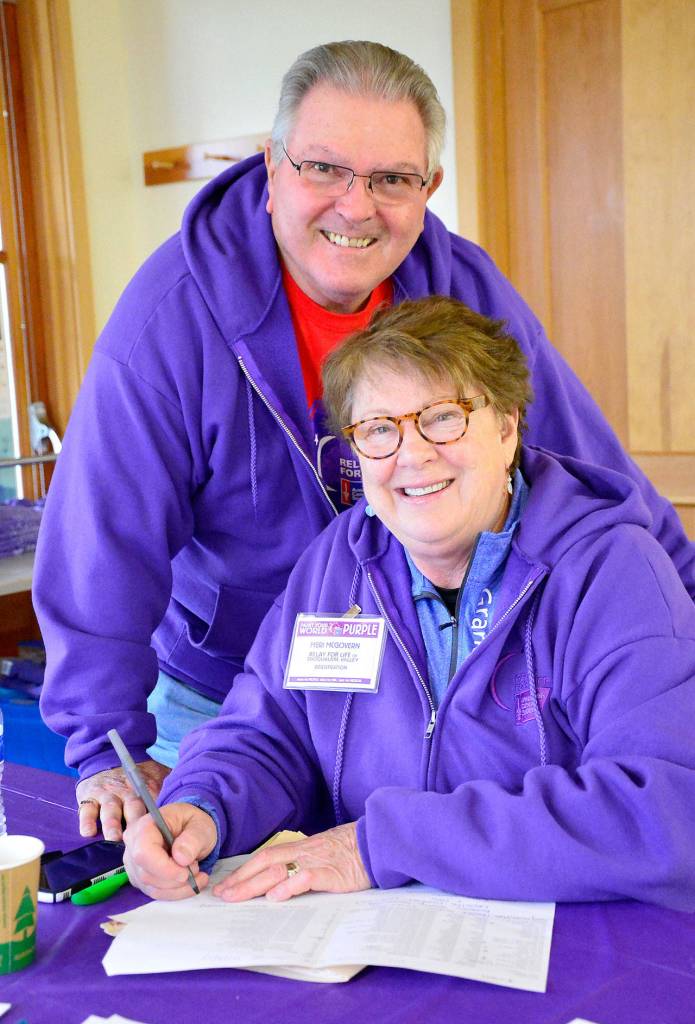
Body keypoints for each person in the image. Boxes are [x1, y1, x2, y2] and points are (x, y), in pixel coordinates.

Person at [34, 40, 695, 844]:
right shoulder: (167, 320)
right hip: (237, 705)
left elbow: (590, 466)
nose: (356, 207)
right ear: (272, 167)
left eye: (390, 178)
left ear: (427, 190)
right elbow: (102, 538)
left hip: (434, 688)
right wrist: (106, 742)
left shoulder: (468, 290)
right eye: (324, 169)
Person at [123, 297, 695, 910]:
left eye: (444, 417)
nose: (412, 453)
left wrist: (381, 845)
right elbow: (268, 733)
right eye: (378, 430)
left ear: (507, 427)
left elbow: (662, 806)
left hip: (569, 944)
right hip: (377, 941)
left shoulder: (611, 570)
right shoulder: (337, 565)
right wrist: (204, 805)